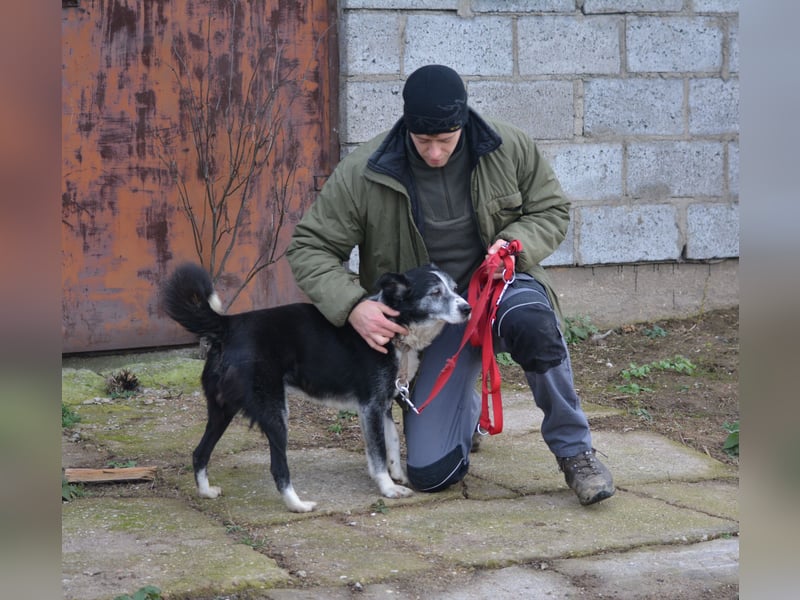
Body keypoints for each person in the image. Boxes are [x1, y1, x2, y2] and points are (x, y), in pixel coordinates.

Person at [286, 64, 615, 505]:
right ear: (407, 127)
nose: (436, 153)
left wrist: (515, 247)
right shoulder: (364, 170)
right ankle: (465, 414)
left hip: (500, 293)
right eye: (424, 142)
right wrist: (352, 306)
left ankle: (577, 453)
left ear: (463, 123)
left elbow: (551, 210)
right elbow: (309, 246)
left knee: (537, 327)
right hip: (430, 322)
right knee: (432, 474)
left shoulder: (508, 146)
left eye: (446, 140)